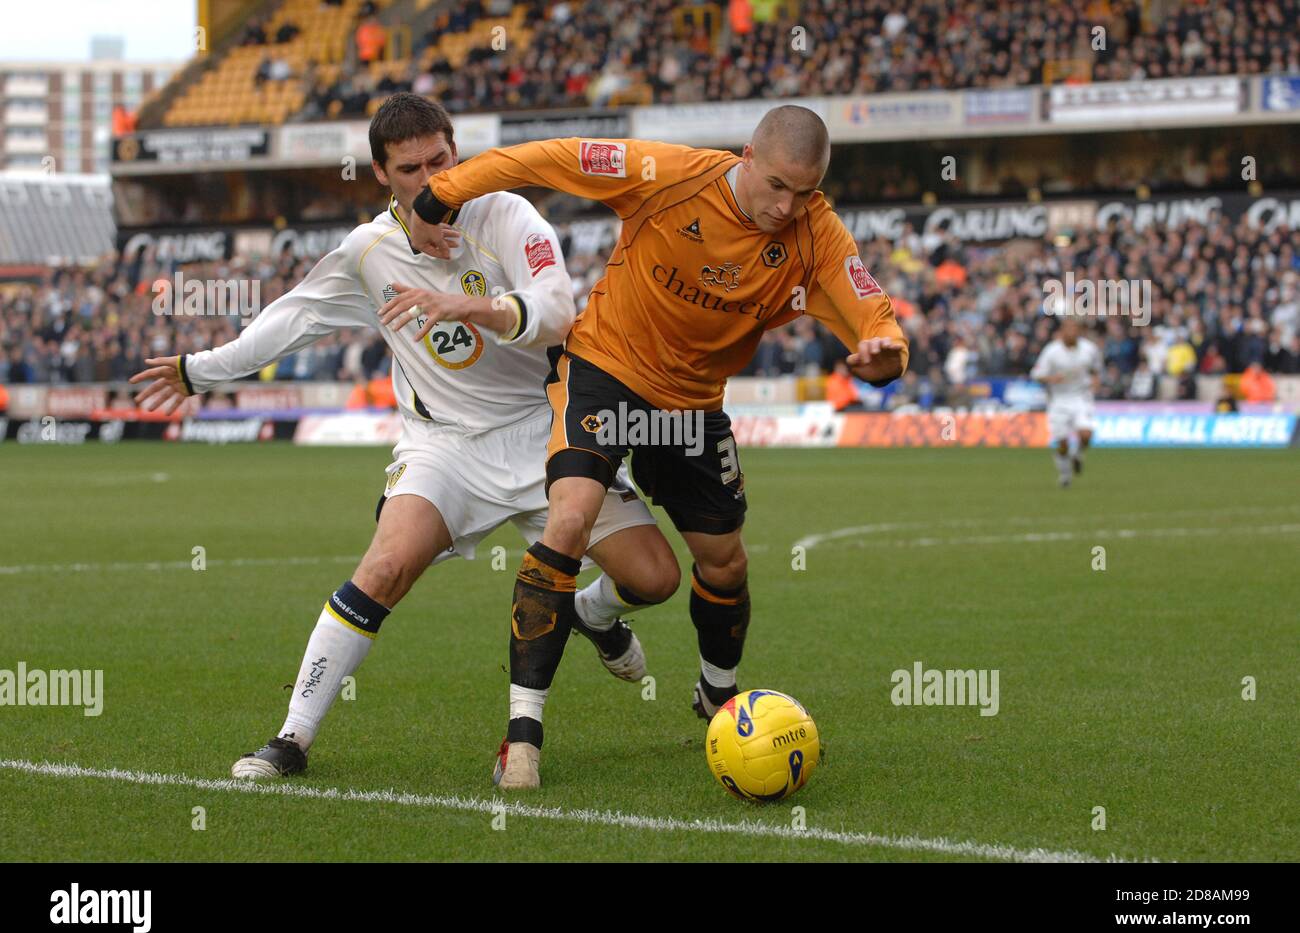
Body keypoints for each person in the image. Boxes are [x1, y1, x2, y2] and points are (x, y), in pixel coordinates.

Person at [130, 94, 679, 784]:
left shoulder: (510, 215)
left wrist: (469, 304)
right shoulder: (368, 252)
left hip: (546, 435)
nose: (430, 179)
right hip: (442, 446)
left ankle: (593, 612)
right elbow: (289, 319)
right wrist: (196, 371)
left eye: (441, 160)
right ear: (383, 174)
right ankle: (291, 739)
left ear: (458, 152)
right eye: (410, 168)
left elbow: (556, 312)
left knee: (655, 577)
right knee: (385, 567)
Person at [404, 105, 908, 788]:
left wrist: (886, 354)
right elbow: (548, 157)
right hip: (606, 372)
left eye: (805, 191)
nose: (787, 206)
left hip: (692, 409)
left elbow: (871, 315)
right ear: (747, 156)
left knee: (722, 563)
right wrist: (444, 191)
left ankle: (717, 696)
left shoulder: (817, 233)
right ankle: (522, 738)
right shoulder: (666, 174)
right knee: (571, 519)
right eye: (778, 186)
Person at [1030, 317, 1102, 488]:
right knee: (1062, 442)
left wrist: (1096, 383)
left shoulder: (1089, 349)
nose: (1072, 333)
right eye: (1068, 330)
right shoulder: (1052, 351)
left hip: (1082, 397)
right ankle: (1065, 473)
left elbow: (1096, 369)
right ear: (1062, 332)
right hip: (1059, 400)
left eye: (1075, 329)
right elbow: (1036, 374)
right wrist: (1051, 378)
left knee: (1086, 435)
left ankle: (1077, 455)